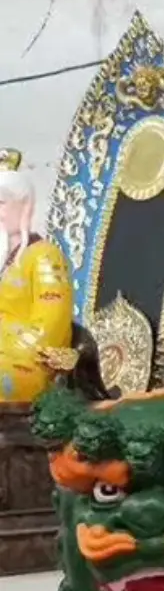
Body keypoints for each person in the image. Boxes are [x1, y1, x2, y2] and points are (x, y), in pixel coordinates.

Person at [0, 148, 74, 403]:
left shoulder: (44, 257)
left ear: (24, 206)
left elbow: (48, 331)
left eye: (1, 203)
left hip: (28, 365)